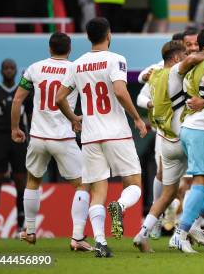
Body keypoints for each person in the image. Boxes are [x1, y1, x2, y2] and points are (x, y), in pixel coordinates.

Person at [56, 17, 147, 257]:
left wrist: (74, 118)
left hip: (90, 136)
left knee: (97, 190)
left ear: (88, 37)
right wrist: (137, 118)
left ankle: (100, 242)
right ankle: (120, 205)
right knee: (134, 184)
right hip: (116, 133)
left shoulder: (77, 64)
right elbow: (119, 90)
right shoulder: (116, 59)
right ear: (109, 35)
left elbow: (58, 97)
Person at [11, 32, 92, 251]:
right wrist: (77, 120)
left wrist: (15, 127)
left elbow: (18, 98)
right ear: (70, 49)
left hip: (38, 137)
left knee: (33, 180)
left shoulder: (34, 68)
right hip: (63, 137)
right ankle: (77, 237)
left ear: (49, 48)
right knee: (82, 185)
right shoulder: (74, 69)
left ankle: (29, 231)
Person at [169, 26, 204, 253]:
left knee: (200, 181)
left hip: (188, 127)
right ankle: (181, 232)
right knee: (201, 181)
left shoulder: (190, 65)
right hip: (200, 128)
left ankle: (184, 228)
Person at [133, 41, 187, 252]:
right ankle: (183, 232)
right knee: (200, 181)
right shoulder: (176, 72)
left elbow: (140, 77)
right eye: (185, 52)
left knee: (169, 190)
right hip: (181, 135)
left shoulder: (155, 73)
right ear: (175, 57)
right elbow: (140, 87)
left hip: (166, 137)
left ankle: (144, 231)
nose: (188, 55)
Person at [0, 59, 30, 238]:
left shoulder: (24, 92)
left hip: (18, 139)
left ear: (16, 71)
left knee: (21, 184)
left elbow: (31, 120)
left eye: (12, 68)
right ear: (1, 71)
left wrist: (31, 142)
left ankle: (20, 227)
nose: (9, 71)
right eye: (6, 68)